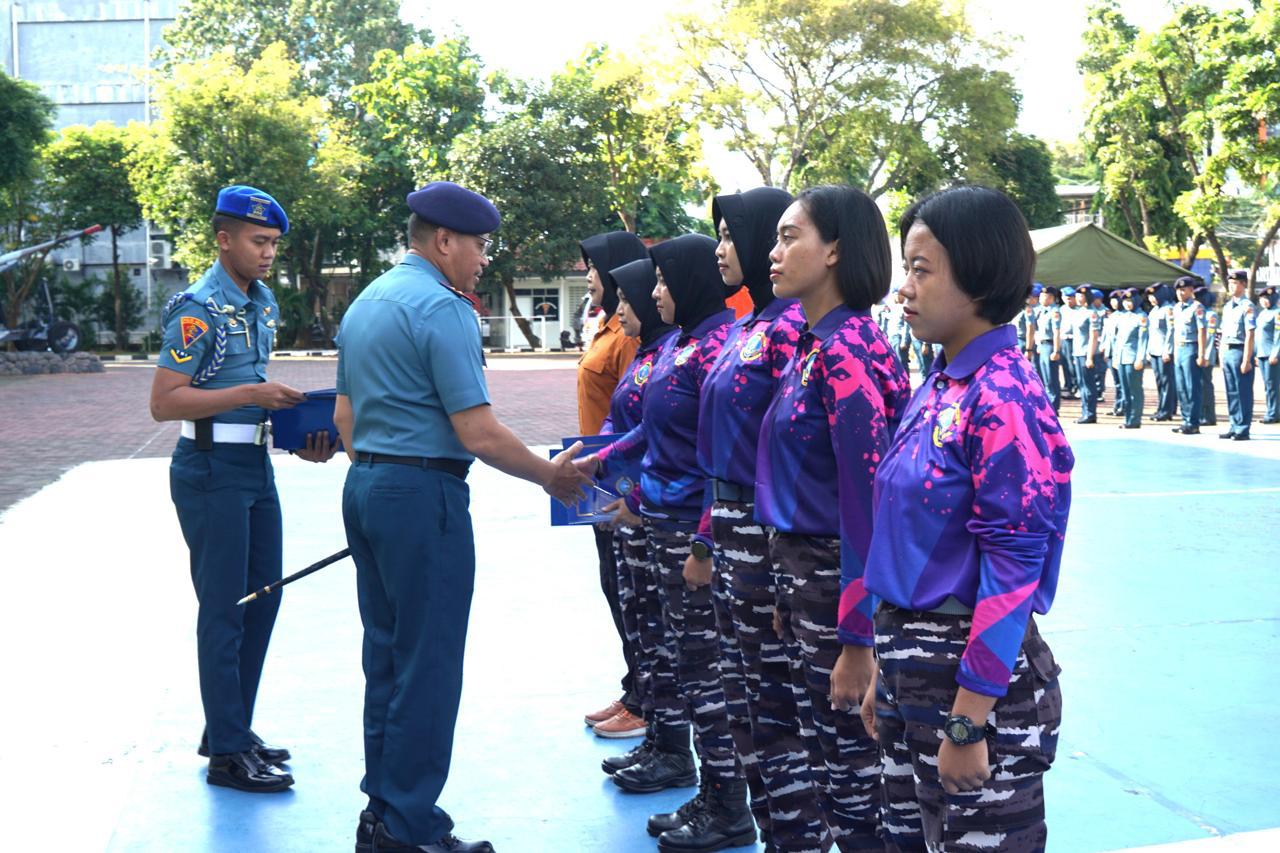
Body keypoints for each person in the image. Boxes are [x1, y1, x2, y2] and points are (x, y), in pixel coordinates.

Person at [333, 182, 591, 853]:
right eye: (478, 245)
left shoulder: (366, 302)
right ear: (444, 240)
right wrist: (551, 476)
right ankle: (412, 826)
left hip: (367, 486)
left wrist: (384, 472)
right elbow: (477, 431)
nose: (483, 258)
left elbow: (344, 417)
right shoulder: (442, 308)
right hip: (423, 496)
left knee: (387, 657)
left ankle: (382, 814)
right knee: (429, 663)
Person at [863, 185, 1072, 852]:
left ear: (978, 276)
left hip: (968, 682)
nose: (904, 288)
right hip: (910, 666)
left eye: (921, 270)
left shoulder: (1003, 395)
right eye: (906, 269)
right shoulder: (940, 383)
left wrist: (968, 720)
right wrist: (883, 667)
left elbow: (1014, 566)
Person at [151, 185, 336, 794]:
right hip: (209, 471)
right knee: (225, 609)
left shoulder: (261, 301)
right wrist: (253, 394)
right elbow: (165, 402)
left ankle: (229, 728)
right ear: (223, 239)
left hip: (254, 466)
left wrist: (300, 436)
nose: (268, 253)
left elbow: (245, 398)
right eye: (259, 241)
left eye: (274, 243)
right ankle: (228, 756)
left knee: (263, 599)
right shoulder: (198, 307)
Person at [581, 235, 752, 853]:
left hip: (685, 524)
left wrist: (703, 541)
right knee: (675, 656)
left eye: (659, 281)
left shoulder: (715, 348)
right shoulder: (680, 346)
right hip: (655, 514)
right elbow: (651, 432)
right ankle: (693, 772)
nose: (651, 295)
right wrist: (598, 462)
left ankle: (727, 803)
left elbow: (718, 458)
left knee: (705, 671)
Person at [757, 185, 910, 851]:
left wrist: (857, 637)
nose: (774, 251)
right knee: (827, 765)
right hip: (807, 582)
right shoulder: (812, 344)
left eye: (790, 236)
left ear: (835, 252)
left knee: (853, 781)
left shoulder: (846, 351)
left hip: (835, 586)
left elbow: (866, 501)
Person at [688, 186, 829, 852]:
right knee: (745, 698)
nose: (724, 248)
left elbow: (793, 450)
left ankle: (797, 834)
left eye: (730, 234)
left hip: (764, 532)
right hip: (730, 526)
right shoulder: (751, 326)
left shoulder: (790, 329)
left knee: (778, 706)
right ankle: (773, 828)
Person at [598, 258, 679, 778]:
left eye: (630, 297)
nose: (625, 307)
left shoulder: (676, 352)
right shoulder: (653, 353)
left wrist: (638, 494)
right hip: (634, 506)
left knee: (673, 645)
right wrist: (598, 457)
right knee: (645, 631)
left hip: (661, 512)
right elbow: (626, 423)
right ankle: (659, 741)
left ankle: (674, 753)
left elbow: (676, 443)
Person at [577, 231, 649, 739]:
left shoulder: (628, 335)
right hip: (598, 474)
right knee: (614, 587)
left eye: (593, 268)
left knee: (632, 595)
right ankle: (634, 687)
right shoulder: (607, 326)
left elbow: (636, 413)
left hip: (620, 479)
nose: (588, 277)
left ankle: (645, 699)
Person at [1219, 270, 1256, 440]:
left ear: (1243, 284)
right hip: (1227, 350)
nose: (1231, 286)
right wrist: (1221, 355)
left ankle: (1243, 428)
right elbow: (1222, 333)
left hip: (1240, 350)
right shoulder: (1227, 307)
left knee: (1243, 391)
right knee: (1231, 391)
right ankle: (1234, 425)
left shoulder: (1247, 307)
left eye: (1235, 283)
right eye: (1230, 283)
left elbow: (1250, 334)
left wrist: (1246, 360)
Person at [1171, 276, 1207, 435]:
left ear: (1191, 290)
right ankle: (1185, 420)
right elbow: (1175, 331)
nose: (1180, 293)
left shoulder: (1196, 307)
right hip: (1179, 349)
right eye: (1178, 290)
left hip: (1191, 348)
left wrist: (1201, 354)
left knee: (1192, 387)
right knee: (1181, 388)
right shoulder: (1176, 308)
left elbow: (1201, 331)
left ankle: (1193, 422)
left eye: (1183, 290)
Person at [1113, 289, 1148, 429]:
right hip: (1121, 358)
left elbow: (1143, 340)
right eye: (1125, 301)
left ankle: (1135, 419)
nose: (1127, 304)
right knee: (1125, 391)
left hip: (1133, 358)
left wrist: (1140, 358)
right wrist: (1116, 358)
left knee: (1135, 390)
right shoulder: (1123, 316)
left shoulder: (1141, 317)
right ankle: (1128, 418)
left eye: (1130, 301)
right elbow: (1118, 339)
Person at [1066, 286, 1101, 423]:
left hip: (1087, 352)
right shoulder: (1078, 312)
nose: (1078, 298)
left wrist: (1090, 357)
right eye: (1077, 296)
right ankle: (1085, 411)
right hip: (1078, 352)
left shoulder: (1092, 313)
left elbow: (1094, 336)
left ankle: (1090, 413)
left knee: (1088, 384)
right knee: (1081, 384)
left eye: (1081, 296)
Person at [1145, 283, 1178, 421]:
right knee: (1159, 381)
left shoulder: (1168, 310)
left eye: (1154, 295)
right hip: (1154, 350)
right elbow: (1151, 332)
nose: (1151, 299)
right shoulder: (1154, 311)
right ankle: (1161, 408)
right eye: (1150, 296)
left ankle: (1167, 410)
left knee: (1167, 381)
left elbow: (1171, 331)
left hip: (1164, 351)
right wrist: (1148, 350)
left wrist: (1168, 350)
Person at [1032, 285, 1062, 412]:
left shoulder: (1054, 312)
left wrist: (1056, 350)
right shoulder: (1041, 311)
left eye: (1043, 296)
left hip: (1050, 345)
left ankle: (1054, 406)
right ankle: (1047, 405)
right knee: (1044, 377)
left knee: (1051, 378)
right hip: (1042, 345)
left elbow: (1056, 332)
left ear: (1051, 298)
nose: (1041, 299)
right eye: (1041, 296)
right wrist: (1039, 345)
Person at [1197, 285, 1220, 426]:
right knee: (1198, 386)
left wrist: (1205, 356)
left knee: (1205, 386)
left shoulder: (1211, 315)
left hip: (1206, 356)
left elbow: (1211, 338)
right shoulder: (1198, 312)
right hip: (1198, 355)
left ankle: (1209, 415)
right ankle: (1200, 414)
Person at [1256, 286, 1279, 424]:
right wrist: (1255, 353)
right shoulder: (1262, 314)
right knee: (1267, 385)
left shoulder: (1277, 313)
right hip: (1261, 354)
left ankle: (1273, 414)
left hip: (1271, 355)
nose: (1264, 301)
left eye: (1267, 298)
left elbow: (1278, 335)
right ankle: (1272, 411)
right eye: (1262, 298)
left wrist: (1275, 354)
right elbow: (1258, 335)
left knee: (1272, 385)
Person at [1058, 286, 1078, 399]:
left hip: (1073, 340)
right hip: (1063, 339)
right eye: (1066, 298)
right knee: (1065, 364)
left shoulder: (1078, 309)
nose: (1068, 300)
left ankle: (1075, 386)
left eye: (1071, 298)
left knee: (1072, 365)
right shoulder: (1061, 309)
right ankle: (1068, 385)